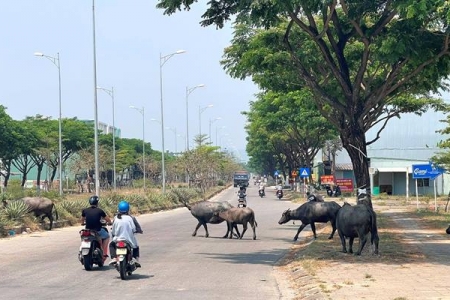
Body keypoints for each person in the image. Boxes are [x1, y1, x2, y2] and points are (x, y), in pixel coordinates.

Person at [109, 200, 142, 267]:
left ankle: (114, 258)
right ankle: (135, 258)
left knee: (111, 245)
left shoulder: (116, 218)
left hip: (118, 240)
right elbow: (133, 229)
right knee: (136, 246)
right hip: (129, 240)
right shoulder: (130, 218)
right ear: (128, 209)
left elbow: (113, 231)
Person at [80, 195, 112, 262]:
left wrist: (83, 223)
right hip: (98, 230)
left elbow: (82, 220)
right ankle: (104, 252)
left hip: (88, 230)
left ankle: (81, 250)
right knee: (107, 236)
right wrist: (109, 222)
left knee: (83, 239)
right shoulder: (100, 211)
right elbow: (108, 220)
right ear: (97, 203)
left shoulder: (85, 211)